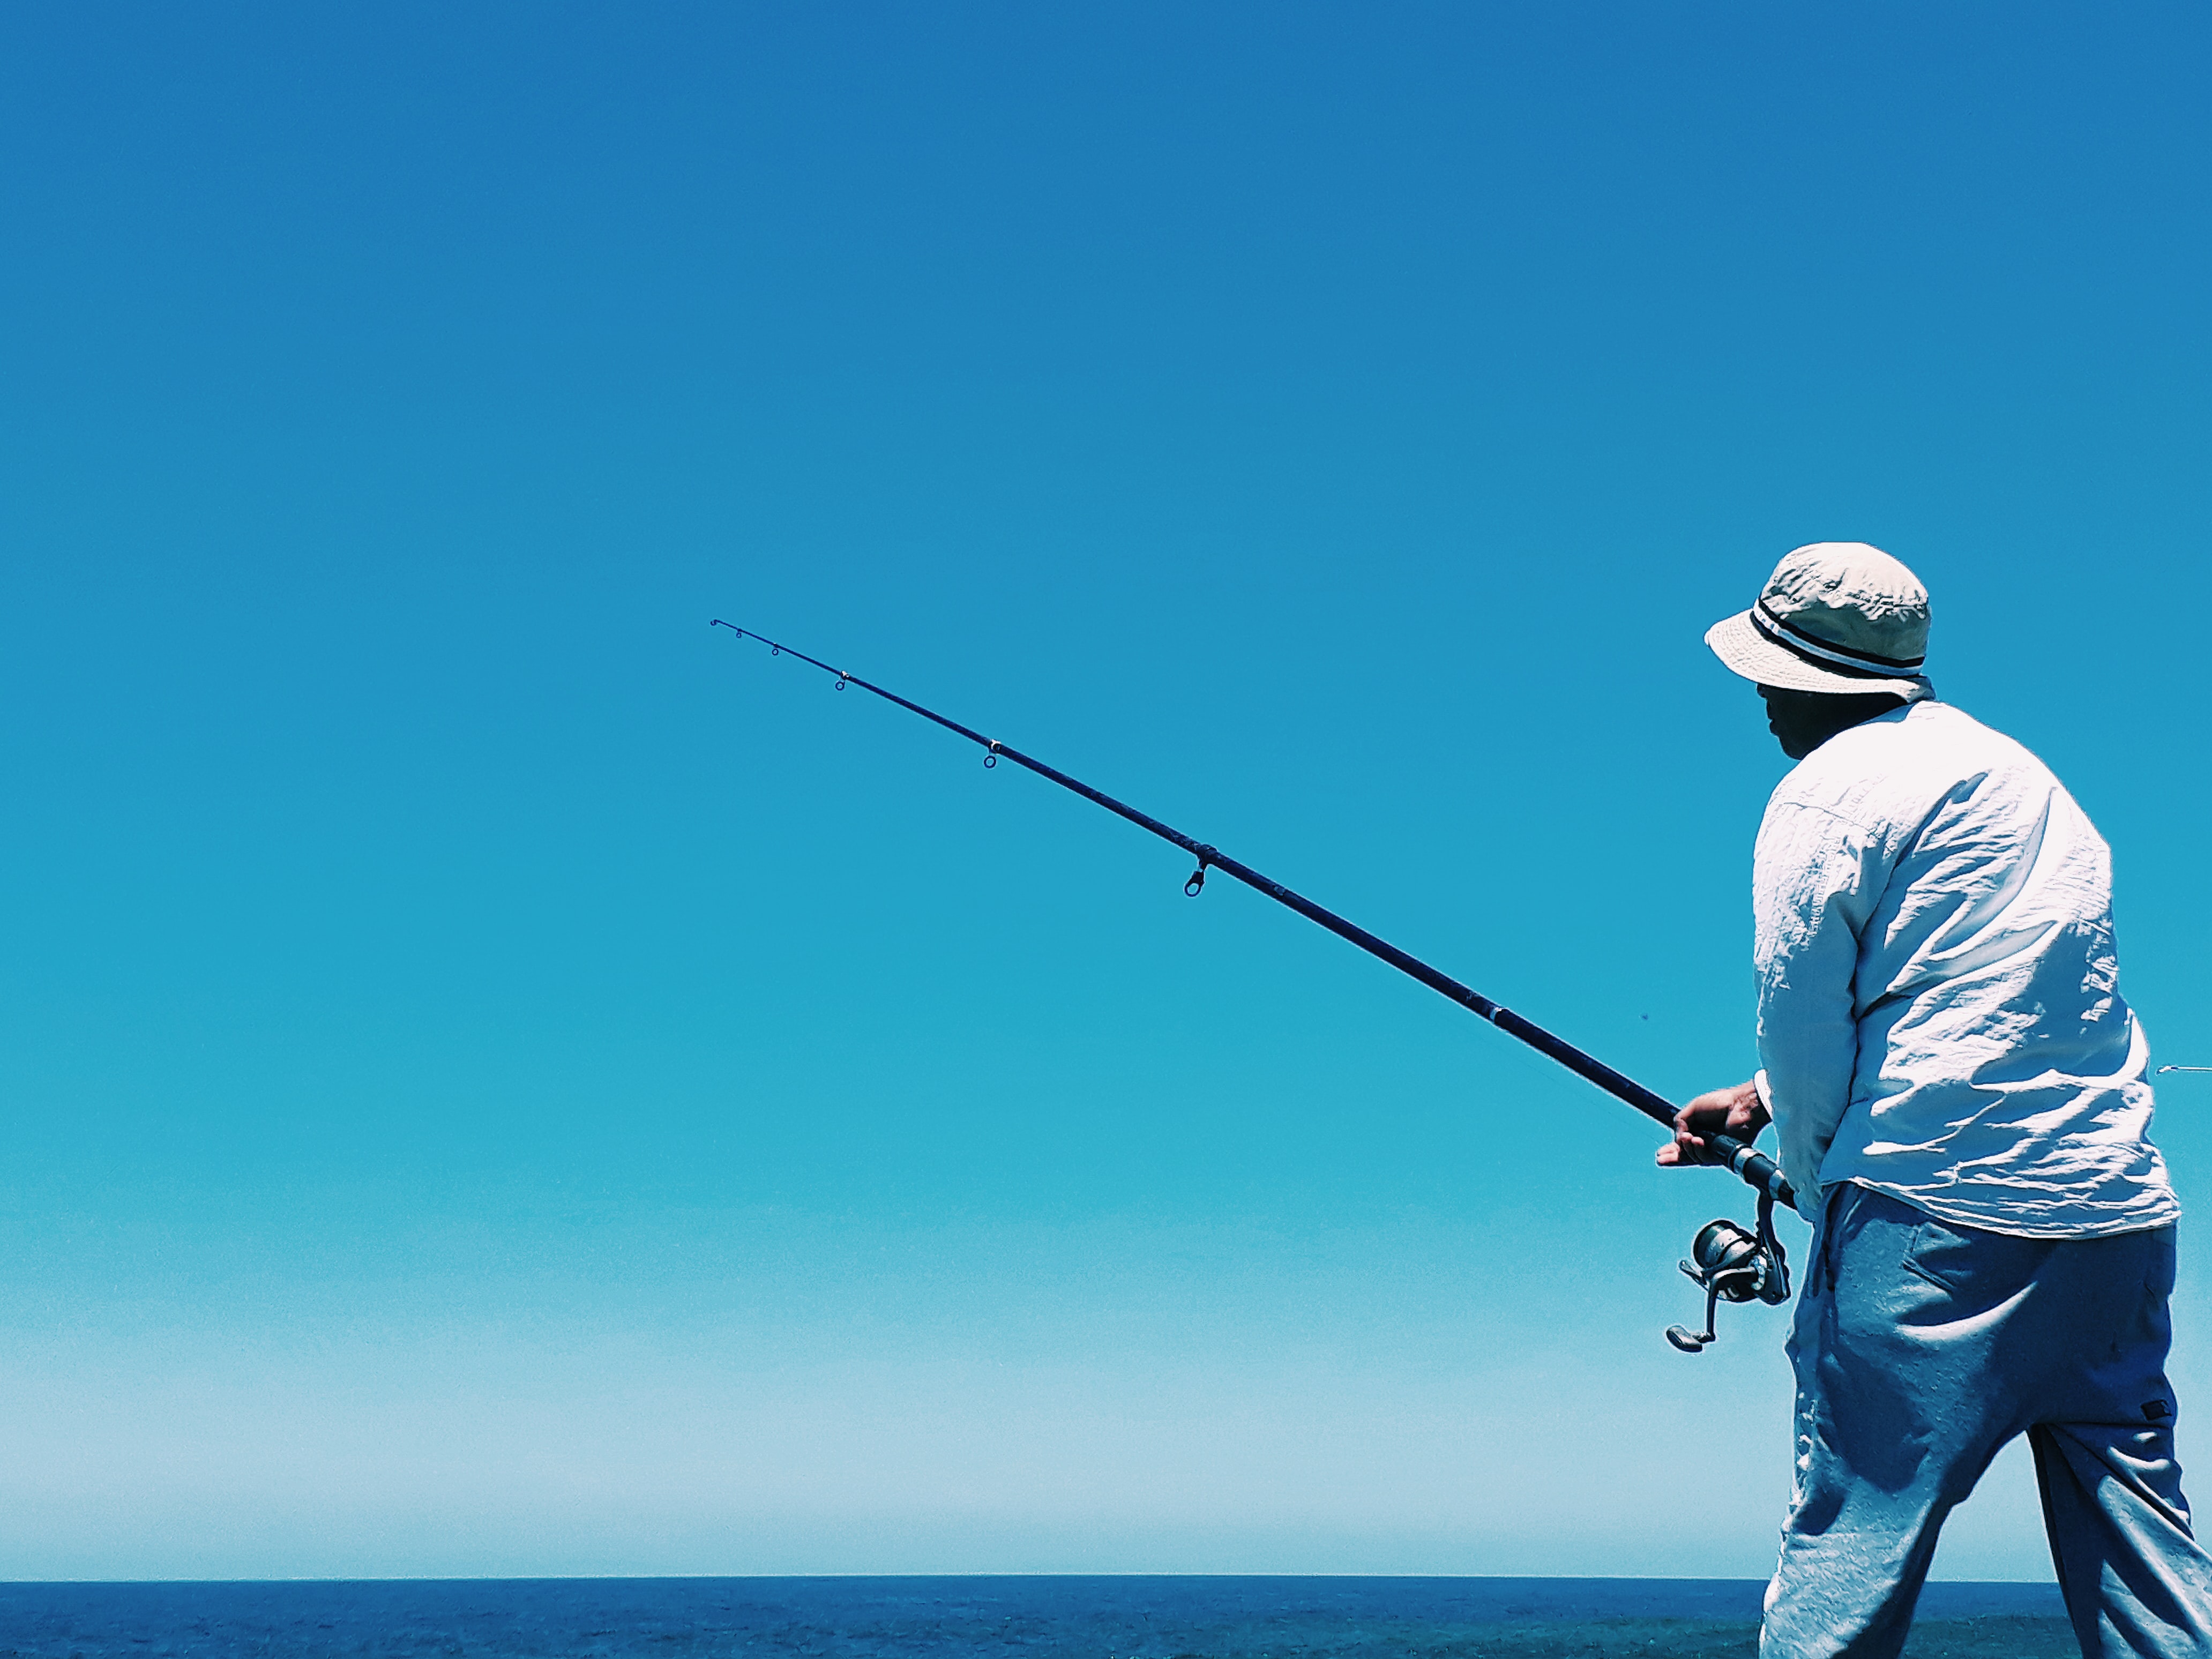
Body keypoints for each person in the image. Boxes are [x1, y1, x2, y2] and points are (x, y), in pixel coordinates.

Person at [1658, 542, 2212, 1658]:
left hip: (1933, 1232)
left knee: (1846, 1562)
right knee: (2151, 1587)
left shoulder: (1821, 793)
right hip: (2115, 1221)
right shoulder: (2023, 778)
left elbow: (1804, 1023)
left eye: (1771, 674)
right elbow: (2004, 988)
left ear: (1804, 677)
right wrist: (1761, 1101)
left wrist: (1818, 1201)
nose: (1763, 696)